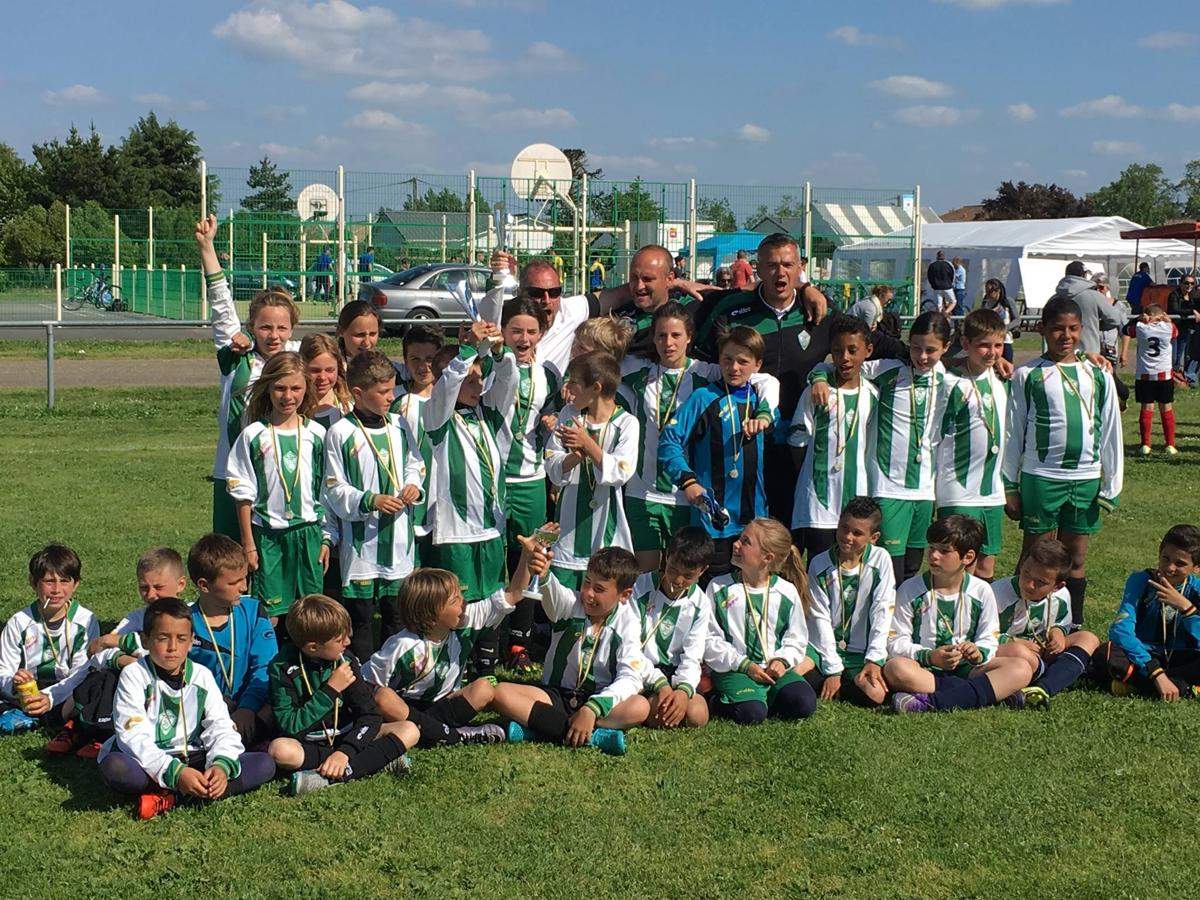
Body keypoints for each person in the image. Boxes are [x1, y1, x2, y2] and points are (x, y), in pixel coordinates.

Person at [689, 233, 834, 525]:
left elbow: (861, 343)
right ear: (758, 267)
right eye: (771, 265)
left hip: (799, 445)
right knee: (743, 529)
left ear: (800, 267)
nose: (780, 272)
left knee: (793, 529)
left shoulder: (818, 311)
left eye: (788, 264)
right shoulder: (732, 309)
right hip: (741, 438)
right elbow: (698, 357)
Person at [1003, 296, 1124, 628]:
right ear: (1043, 329)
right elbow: (1013, 431)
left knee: (1075, 557)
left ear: (1081, 330)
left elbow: (1111, 428)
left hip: (1085, 479)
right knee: (1035, 554)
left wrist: (1111, 484)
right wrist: (1010, 485)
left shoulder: (1097, 372)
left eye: (1072, 329)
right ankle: (1018, 623)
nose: (1065, 336)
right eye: (1057, 329)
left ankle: (1071, 625)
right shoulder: (1027, 374)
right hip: (1041, 476)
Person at [97, 599, 275, 820]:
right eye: (163, 638)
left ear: (191, 642)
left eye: (181, 639)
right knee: (116, 767)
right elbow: (132, 736)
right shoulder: (134, 675)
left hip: (193, 755)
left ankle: (172, 797)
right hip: (151, 758)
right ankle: (187, 789)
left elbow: (221, 725)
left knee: (264, 764)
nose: (173, 647)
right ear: (145, 640)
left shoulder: (202, 675)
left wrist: (220, 766)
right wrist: (175, 772)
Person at [810, 311, 952, 585]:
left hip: (925, 489)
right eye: (916, 348)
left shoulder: (948, 379)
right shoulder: (889, 369)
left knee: (913, 566)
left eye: (931, 350)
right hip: (888, 489)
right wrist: (817, 377)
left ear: (946, 347)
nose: (922, 357)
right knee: (890, 569)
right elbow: (841, 365)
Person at [197, 214, 301, 540]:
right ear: (251, 326)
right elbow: (221, 305)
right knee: (230, 560)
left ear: (292, 329)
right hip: (231, 472)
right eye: (265, 327)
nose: (273, 335)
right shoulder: (238, 356)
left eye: (281, 327)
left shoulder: (299, 357)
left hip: (282, 471)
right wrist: (207, 247)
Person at [490, 546, 650, 756]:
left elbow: (631, 677)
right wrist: (545, 575)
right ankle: (590, 737)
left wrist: (593, 707)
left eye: (599, 589)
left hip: (599, 700)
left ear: (624, 595)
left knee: (640, 707)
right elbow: (553, 594)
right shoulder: (571, 603)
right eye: (587, 582)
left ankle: (540, 729)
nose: (589, 594)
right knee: (500, 693)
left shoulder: (629, 622)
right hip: (556, 696)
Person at [363, 560, 541, 747]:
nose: (464, 602)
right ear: (430, 613)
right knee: (384, 697)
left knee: (484, 688)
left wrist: (527, 557)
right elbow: (367, 686)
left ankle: (433, 733)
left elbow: (512, 594)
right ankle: (455, 735)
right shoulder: (403, 646)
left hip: (440, 706)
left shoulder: (464, 624)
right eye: (455, 600)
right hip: (405, 711)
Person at [325, 350, 425, 661]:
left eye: (393, 389)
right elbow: (333, 487)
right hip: (362, 547)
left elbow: (415, 463)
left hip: (398, 542)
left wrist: (413, 485)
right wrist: (370, 500)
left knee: (396, 617)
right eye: (382, 391)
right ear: (358, 393)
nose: (390, 396)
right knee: (362, 620)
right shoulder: (341, 432)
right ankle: (363, 680)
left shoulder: (398, 424)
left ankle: (392, 677)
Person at [267, 594, 418, 796]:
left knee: (409, 730)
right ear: (313, 647)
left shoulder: (345, 659)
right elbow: (290, 726)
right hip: (310, 742)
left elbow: (370, 715)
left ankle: (327, 777)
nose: (348, 641)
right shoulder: (282, 667)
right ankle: (374, 761)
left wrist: (345, 751)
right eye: (339, 639)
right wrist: (329, 691)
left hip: (348, 735)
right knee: (280, 750)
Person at [659, 326, 778, 580]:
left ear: (757, 365)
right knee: (712, 595)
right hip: (712, 522)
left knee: (748, 595)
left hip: (753, 522)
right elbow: (669, 441)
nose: (734, 368)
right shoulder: (704, 398)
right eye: (727, 359)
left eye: (743, 362)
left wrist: (767, 417)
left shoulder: (762, 401)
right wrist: (688, 481)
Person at [885, 516, 1035, 714]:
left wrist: (977, 652)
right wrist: (930, 656)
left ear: (968, 557)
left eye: (944, 551)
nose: (933, 556)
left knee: (1021, 668)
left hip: (969, 669)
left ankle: (928, 702)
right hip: (924, 668)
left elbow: (990, 637)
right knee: (895, 668)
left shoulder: (981, 590)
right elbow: (895, 640)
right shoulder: (910, 589)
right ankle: (989, 692)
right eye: (931, 548)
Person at [482, 297, 558, 671]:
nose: (524, 338)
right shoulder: (496, 368)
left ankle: (519, 642)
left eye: (531, 331)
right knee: (497, 561)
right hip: (495, 478)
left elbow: (557, 410)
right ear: (505, 331)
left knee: (532, 558)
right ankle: (489, 639)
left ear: (541, 333)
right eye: (516, 330)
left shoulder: (550, 374)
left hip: (532, 478)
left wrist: (553, 416)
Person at [226, 352, 328, 630]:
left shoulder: (317, 435)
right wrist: (249, 544)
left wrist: (327, 538)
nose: (288, 396)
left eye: (295, 388)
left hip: (308, 533)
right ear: (267, 389)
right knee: (268, 616)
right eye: (280, 388)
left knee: (312, 613)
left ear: (306, 388)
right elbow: (242, 493)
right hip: (268, 537)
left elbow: (326, 492)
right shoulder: (253, 434)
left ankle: (309, 668)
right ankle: (265, 669)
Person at [703, 518, 818, 725]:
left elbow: (797, 638)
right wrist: (744, 665)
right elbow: (709, 639)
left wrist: (782, 661)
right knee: (752, 714)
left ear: (766, 557)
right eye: (740, 538)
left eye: (745, 542)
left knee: (804, 704)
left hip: (772, 669)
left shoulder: (786, 591)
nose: (735, 544)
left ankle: (761, 697)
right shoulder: (718, 587)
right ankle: (717, 699)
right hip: (735, 668)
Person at [545, 350, 640, 589]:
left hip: (606, 530)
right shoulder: (569, 415)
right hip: (567, 531)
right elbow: (552, 463)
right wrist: (575, 457)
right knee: (563, 612)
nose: (568, 388)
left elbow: (621, 471)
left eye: (575, 382)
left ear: (596, 388)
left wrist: (587, 444)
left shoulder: (627, 423)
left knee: (601, 603)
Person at [788, 317, 878, 562]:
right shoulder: (816, 391)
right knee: (819, 564)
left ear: (867, 351)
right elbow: (798, 438)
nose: (845, 358)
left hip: (857, 491)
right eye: (837, 351)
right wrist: (810, 472)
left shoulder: (872, 395)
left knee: (852, 564)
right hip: (818, 498)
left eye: (852, 350)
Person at [934, 309, 1009, 581]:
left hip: (992, 491)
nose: (992, 352)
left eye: (998, 345)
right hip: (957, 489)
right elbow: (935, 435)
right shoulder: (950, 382)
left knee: (986, 565)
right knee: (957, 565)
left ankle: (979, 620)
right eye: (983, 345)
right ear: (966, 345)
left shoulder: (1000, 379)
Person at [185, 534, 278, 746]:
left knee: (275, 708)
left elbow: (265, 667)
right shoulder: (184, 622)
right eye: (234, 582)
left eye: (245, 578)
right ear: (204, 585)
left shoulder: (254, 611)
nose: (244, 587)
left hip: (251, 707)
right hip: (205, 712)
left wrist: (247, 708)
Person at [803, 498, 895, 708]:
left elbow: (882, 610)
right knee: (796, 670)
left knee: (877, 695)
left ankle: (831, 684)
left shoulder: (881, 560)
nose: (847, 537)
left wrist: (874, 659)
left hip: (859, 651)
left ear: (874, 537)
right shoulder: (819, 563)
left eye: (857, 533)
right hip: (822, 647)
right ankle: (834, 679)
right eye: (844, 528)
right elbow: (819, 617)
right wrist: (833, 668)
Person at [0, 545, 97, 740]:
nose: (57, 590)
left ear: (76, 584)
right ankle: (39, 717)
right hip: (25, 696)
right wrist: (16, 684)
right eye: (48, 581)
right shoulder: (19, 622)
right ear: (33, 583)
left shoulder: (85, 621)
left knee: (92, 689)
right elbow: (3, 671)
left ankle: (52, 719)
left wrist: (51, 698)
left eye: (64, 581)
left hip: (65, 692)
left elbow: (81, 672)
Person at [1097, 524, 1200, 700]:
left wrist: (1186, 608)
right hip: (1144, 656)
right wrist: (1155, 671)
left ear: (1196, 567)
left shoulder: (1196, 590)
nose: (1169, 568)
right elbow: (1121, 629)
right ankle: (1182, 688)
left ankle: (1138, 685)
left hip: (1182, 656)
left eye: (1180, 563)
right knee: (1105, 653)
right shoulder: (1141, 581)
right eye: (1165, 558)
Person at [993, 538, 1099, 705]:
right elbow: (980, 635)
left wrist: (1057, 633)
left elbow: (1062, 624)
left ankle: (1043, 687)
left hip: (1040, 651)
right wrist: (1014, 641)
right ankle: (1061, 674)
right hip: (1010, 654)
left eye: (1040, 582)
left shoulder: (1061, 596)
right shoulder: (997, 593)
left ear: (1057, 586)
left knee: (1088, 638)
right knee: (1020, 652)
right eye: (1026, 572)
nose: (1029, 584)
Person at [630, 527, 714, 729]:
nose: (677, 580)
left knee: (697, 715)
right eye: (673, 569)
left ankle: (666, 708)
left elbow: (693, 655)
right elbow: (629, 645)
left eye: (688, 575)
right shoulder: (639, 587)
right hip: (641, 668)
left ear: (702, 570)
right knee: (655, 711)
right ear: (667, 556)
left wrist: (684, 691)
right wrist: (660, 686)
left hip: (675, 672)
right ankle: (652, 706)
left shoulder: (701, 603)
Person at [390, 325, 444, 564]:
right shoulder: (395, 398)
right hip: (408, 490)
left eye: (431, 359)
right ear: (404, 360)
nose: (423, 367)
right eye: (415, 359)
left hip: (441, 490)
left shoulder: (449, 397)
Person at [516, 256, 599, 380]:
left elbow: (617, 296)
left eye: (554, 292)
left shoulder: (568, 312)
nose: (546, 300)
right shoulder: (504, 321)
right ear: (520, 293)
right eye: (536, 293)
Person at [1120, 304, 1178, 456]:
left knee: (1147, 408)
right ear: (1160, 316)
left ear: (1147, 316)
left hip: (1145, 374)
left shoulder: (1140, 328)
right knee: (1166, 408)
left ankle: (1145, 444)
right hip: (1164, 374)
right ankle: (1170, 444)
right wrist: (1168, 319)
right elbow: (1176, 333)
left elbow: (1125, 330)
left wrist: (1138, 320)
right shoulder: (1168, 328)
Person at [607, 245, 683, 358]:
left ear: (669, 279)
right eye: (634, 278)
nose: (639, 286)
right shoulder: (615, 318)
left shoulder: (691, 311)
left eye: (647, 279)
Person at [301, 333, 352, 433]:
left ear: (339, 369)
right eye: (315, 370)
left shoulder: (348, 408)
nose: (322, 377)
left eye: (329, 370)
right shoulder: (293, 408)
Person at [979, 278, 1020, 363]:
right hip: (989, 339)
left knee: (1006, 366)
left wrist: (1005, 329)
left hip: (1005, 340)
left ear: (998, 290)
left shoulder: (1008, 301)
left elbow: (1017, 320)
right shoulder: (985, 303)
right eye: (987, 291)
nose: (988, 294)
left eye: (991, 291)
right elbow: (981, 318)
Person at [1166, 274, 1198, 376]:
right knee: (1174, 356)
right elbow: (1174, 310)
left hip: (1186, 329)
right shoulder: (1174, 295)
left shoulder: (1193, 296)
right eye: (1186, 283)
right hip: (1174, 329)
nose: (1189, 285)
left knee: (1183, 354)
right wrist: (1192, 311)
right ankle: (1171, 376)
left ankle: (1180, 377)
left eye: (1192, 283)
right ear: (1180, 284)